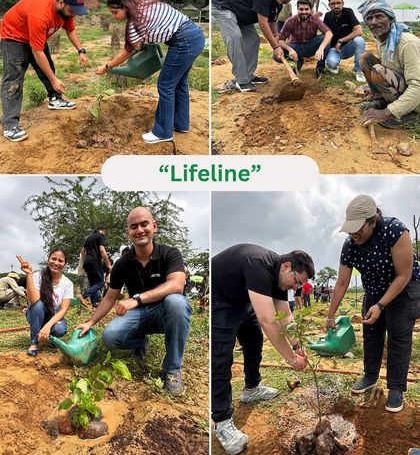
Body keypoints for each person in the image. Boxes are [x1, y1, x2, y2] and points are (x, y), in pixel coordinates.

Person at [76, 207, 191, 395]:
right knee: (110, 337)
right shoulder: (122, 264)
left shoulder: (170, 253)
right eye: (133, 226)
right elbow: (109, 297)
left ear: (154, 226)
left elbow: (177, 285)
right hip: (139, 315)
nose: (139, 230)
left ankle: (172, 369)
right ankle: (140, 343)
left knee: (177, 302)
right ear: (127, 232)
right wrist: (90, 322)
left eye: (144, 224)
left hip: (165, 312)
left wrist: (136, 299)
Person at [212, 244, 315, 455]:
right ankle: (222, 422)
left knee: (253, 340)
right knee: (220, 359)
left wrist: (298, 346)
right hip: (220, 299)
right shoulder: (259, 265)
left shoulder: (279, 276)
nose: (296, 288)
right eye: (297, 282)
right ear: (287, 266)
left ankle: (251, 389)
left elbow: (285, 315)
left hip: (241, 301)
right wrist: (292, 360)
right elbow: (268, 321)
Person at [327, 194, 420, 413]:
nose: (354, 234)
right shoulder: (351, 244)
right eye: (350, 229)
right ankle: (370, 376)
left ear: (373, 221)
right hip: (373, 290)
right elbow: (341, 282)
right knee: (371, 332)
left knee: (398, 335)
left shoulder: (394, 230)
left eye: (359, 228)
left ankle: (396, 388)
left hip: (403, 287)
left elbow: (403, 275)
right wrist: (330, 316)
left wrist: (380, 306)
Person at [95, 0, 205, 144]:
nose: (114, 17)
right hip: (195, 35)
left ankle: (162, 133)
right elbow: (143, 41)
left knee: (165, 84)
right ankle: (181, 124)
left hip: (184, 41)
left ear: (125, 7)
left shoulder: (134, 23)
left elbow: (126, 52)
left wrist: (106, 67)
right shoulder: (145, 5)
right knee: (179, 83)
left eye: (115, 12)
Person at [1, 0, 88, 142]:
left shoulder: (66, 10)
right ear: (61, 3)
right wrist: (54, 80)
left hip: (35, 36)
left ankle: (55, 99)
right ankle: (10, 125)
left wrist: (81, 50)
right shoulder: (40, 13)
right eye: (73, 10)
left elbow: (71, 30)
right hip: (14, 36)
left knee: (48, 67)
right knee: (14, 80)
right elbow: (37, 52)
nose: (74, 14)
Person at [212, 0, 299, 92]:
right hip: (223, 6)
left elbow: (274, 29)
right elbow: (263, 24)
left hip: (240, 13)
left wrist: (278, 45)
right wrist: (275, 47)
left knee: (253, 39)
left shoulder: (278, 6)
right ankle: (242, 81)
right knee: (235, 37)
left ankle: (248, 75)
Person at [357, 0, 420, 128]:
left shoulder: (407, 43)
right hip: (403, 86)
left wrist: (387, 112)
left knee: (378, 69)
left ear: (391, 19)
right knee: (365, 58)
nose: (373, 22)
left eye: (379, 16)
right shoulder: (382, 40)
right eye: (369, 18)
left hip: (416, 98)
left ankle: (408, 114)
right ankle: (379, 100)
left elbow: (417, 86)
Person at [17, 248, 73, 357]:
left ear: (65, 264)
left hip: (53, 317)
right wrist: (29, 274)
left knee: (60, 329)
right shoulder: (38, 276)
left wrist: (48, 326)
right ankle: (34, 342)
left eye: (60, 261)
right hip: (36, 314)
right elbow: (33, 300)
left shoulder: (67, 283)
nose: (56, 263)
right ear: (48, 259)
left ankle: (51, 336)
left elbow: (63, 310)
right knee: (38, 305)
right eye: (53, 259)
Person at [278, 0, 333, 79]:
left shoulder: (315, 20)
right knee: (277, 55)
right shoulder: (290, 21)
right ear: (297, 10)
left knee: (325, 38)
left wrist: (321, 48)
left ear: (310, 10)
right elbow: (280, 40)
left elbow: (329, 33)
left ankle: (320, 69)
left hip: (311, 46)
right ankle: (298, 62)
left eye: (306, 9)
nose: (304, 12)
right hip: (296, 48)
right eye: (301, 9)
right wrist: (290, 49)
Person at [323, 0, 366, 82]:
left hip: (348, 47)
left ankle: (359, 70)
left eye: (338, 3)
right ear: (329, 5)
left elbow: (359, 31)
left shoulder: (348, 12)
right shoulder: (327, 16)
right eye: (333, 4)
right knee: (332, 65)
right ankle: (332, 63)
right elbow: (325, 34)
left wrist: (341, 41)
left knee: (359, 40)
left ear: (343, 3)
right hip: (335, 49)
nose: (336, 6)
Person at [78, 228, 112, 309]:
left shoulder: (89, 238)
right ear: (102, 231)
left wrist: (85, 260)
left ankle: (94, 303)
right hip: (95, 262)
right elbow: (102, 250)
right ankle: (84, 295)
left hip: (87, 263)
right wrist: (108, 264)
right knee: (100, 283)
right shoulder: (101, 236)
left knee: (93, 284)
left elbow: (82, 251)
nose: (105, 234)